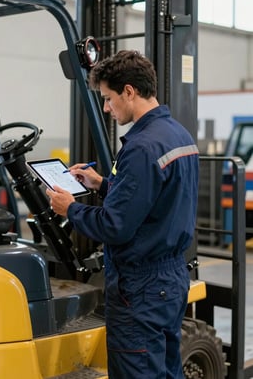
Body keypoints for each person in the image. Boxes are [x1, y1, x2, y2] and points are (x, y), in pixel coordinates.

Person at [46, 50, 199, 378]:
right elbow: (152, 202)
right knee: (167, 371)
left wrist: (69, 208)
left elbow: (114, 226)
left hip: (141, 287)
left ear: (129, 91)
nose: (106, 108)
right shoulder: (179, 136)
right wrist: (101, 184)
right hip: (171, 278)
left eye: (108, 98)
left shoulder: (141, 147)